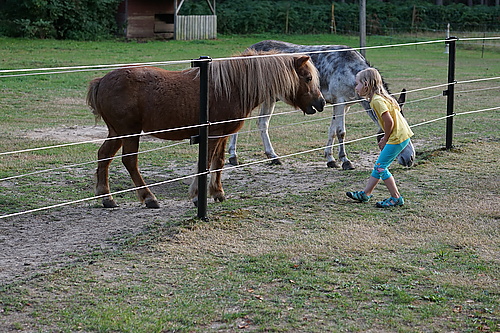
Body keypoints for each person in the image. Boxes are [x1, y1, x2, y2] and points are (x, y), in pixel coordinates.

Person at [346, 68, 414, 208]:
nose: (356, 87)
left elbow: (389, 122)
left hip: (397, 138)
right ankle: (366, 194)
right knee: (379, 166)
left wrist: (385, 138)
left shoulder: (377, 101)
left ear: (366, 85)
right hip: (402, 135)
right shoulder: (381, 97)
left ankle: (396, 197)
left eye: (357, 83)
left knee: (381, 167)